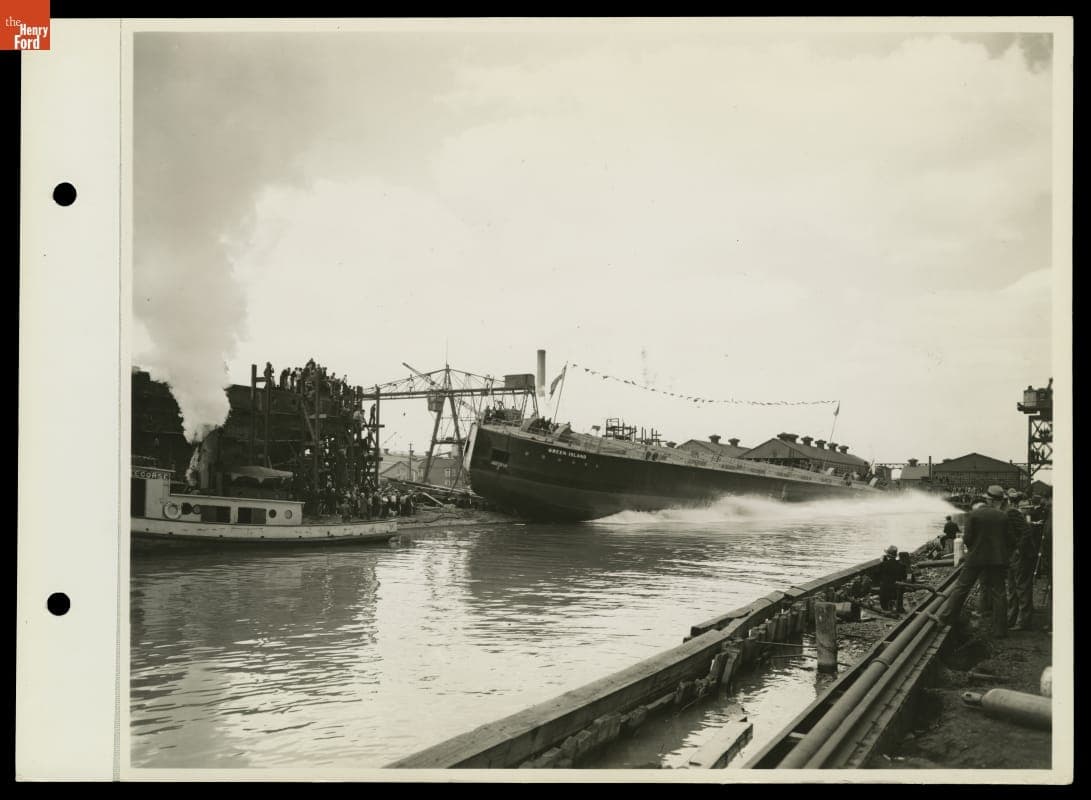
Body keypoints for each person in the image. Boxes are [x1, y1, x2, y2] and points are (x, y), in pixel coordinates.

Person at [938, 485, 1015, 637]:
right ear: (999, 501)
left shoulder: (974, 515)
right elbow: (1011, 541)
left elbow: (967, 539)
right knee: (999, 592)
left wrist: (975, 549)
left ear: (988, 499)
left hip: (975, 558)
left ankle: (945, 619)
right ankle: (1000, 630)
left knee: (962, 588)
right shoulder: (1003, 516)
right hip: (997, 560)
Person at [1005, 491, 1037, 630]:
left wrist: (1018, 549)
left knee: (1022, 587)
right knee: (1012, 588)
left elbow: (1026, 532)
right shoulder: (1010, 512)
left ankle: (1023, 622)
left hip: (1021, 556)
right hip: (1013, 555)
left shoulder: (1012, 513)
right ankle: (1012, 618)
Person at [877, 545, 907, 612]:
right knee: (899, 585)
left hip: (885, 592)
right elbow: (904, 577)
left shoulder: (882, 565)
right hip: (896, 591)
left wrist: (882, 562)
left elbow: (876, 575)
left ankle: (887, 606)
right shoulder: (902, 566)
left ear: (887, 555)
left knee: (883, 583)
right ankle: (898, 606)